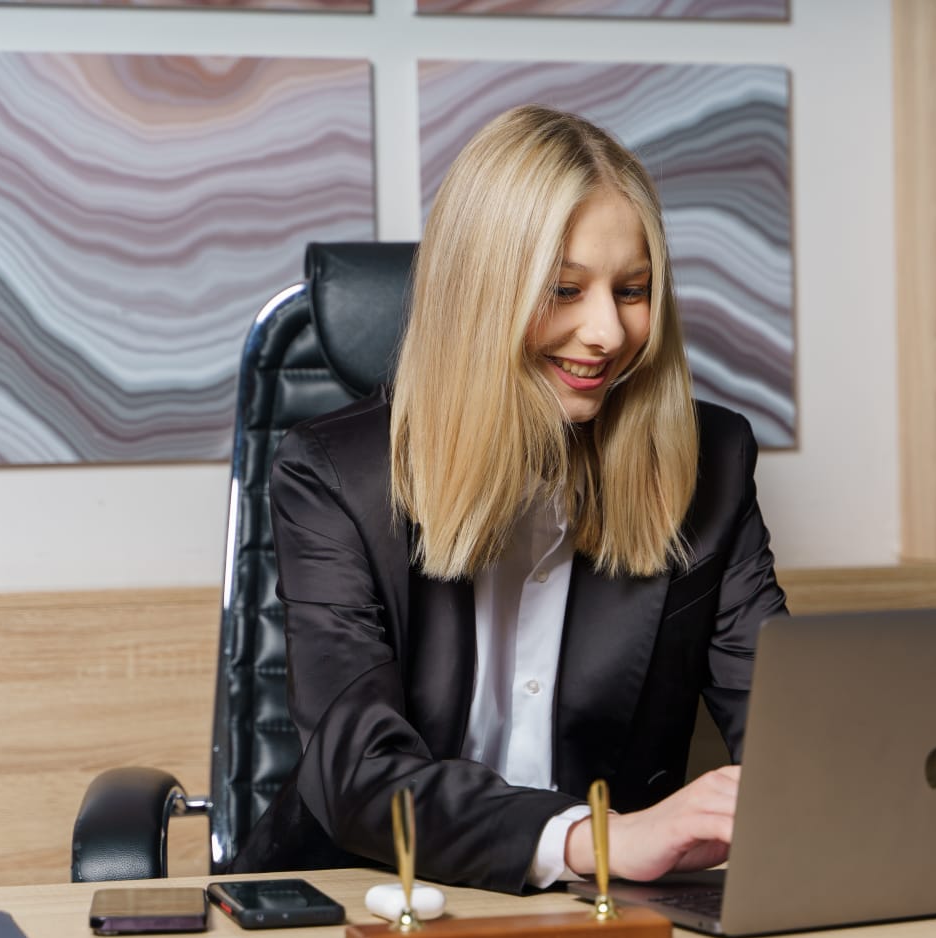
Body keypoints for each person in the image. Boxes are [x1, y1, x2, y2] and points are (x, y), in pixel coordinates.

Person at [232, 104, 788, 894]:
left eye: (632, 290)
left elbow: (784, 726)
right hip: (361, 899)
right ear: (479, 295)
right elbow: (359, 772)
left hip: (606, 911)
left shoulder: (712, 462)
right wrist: (594, 840)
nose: (607, 332)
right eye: (564, 289)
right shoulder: (333, 476)